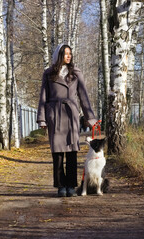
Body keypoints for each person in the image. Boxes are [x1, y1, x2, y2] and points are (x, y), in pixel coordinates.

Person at [37, 44, 97, 197]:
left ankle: (71, 185)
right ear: (59, 55)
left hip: (71, 116)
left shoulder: (76, 73)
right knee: (57, 154)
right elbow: (43, 97)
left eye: (70, 53)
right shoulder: (49, 73)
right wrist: (42, 118)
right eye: (65, 54)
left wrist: (90, 117)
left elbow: (83, 95)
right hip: (55, 115)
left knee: (72, 153)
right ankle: (60, 186)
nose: (68, 56)